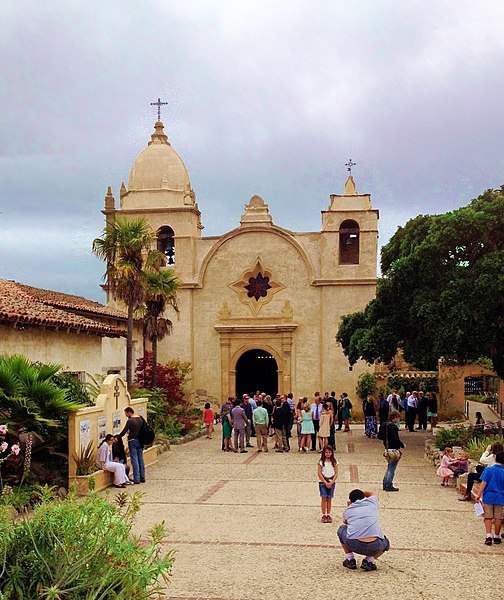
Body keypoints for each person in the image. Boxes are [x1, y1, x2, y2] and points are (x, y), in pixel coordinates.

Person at [337, 489, 390, 571]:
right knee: (386, 543)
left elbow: (346, 523)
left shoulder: (348, 510)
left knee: (341, 530)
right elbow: (372, 493)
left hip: (354, 543)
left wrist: (349, 506)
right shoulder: (372, 502)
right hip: (374, 546)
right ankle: (369, 561)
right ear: (364, 497)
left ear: (350, 500)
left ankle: (350, 559)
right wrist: (362, 493)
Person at [475, 451, 504, 545]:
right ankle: (497, 536)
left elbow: (484, 483)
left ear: (495, 458)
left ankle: (488, 535)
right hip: (500, 497)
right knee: (498, 517)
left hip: (488, 496)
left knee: (488, 516)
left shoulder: (488, 469)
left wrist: (479, 494)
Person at [378, 411, 405, 491]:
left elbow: (379, 436)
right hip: (393, 449)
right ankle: (388, 484)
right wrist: (402, 445)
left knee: (389, 466)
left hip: (387, 448)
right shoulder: (393, 427)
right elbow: (395, 439)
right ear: (395, 417)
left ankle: (385, 483)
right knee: (392, 468)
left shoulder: (383, 424)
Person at [118, 407, 145, 484]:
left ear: (129, 412)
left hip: (132, 441)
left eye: (126, 413)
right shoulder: (140, 419)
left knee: (134, 459)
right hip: (140, 441)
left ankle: (137, 478)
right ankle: (142, 477)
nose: (126, 415)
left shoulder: (130, 421)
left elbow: (124, 431)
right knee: (140, 459)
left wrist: (117, 438)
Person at [318, 445, 338, 523]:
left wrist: (332, 482)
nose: (328, 454)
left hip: (331, 482)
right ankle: (323, 514)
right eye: (326, 452)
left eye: (329, 452)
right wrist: (325, 482)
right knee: (324, 498)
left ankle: (329, 513)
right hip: (323, 482)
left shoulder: (334, 462)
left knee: (329, 498)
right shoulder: (321, 462)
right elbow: (319, 473)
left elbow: (336, 473)